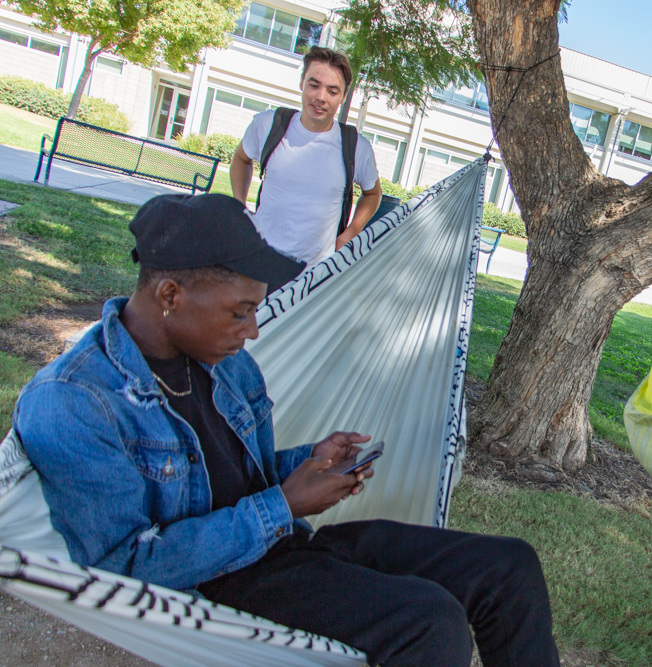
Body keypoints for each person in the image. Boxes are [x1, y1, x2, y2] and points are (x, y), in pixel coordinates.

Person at [13, 194, 560, 667]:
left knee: (508, 566)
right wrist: (284, 504)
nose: (253, 330)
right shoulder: (75, 401)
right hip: (214, 588)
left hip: (286, 547)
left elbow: (233, 472)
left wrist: (306, 464)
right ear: (170, 295)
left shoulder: (223, 361)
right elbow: (124, 567)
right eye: (240, 312)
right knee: (431, 621)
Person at [230, 47, 383, 265]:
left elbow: (373, 194)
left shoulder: (357, 147)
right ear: (302, 83)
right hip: (259, 258)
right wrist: (240, 208)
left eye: (332, 91)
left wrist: (351, 232)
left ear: (343, 97)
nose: (321, 97)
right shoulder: (267, 125)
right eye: (314, 85)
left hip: (312, 276)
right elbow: (241, 159)